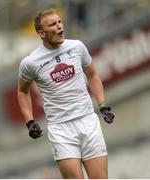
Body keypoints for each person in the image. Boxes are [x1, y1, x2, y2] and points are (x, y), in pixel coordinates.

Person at [17, 8, 115, 179]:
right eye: (53, 25)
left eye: (60, 22)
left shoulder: (77, 46)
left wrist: (103, 104)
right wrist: (29, 121)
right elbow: (22, 91)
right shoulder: (30, 62)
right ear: (41, 33)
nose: (59, 27)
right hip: (61, 129)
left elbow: (92, 75)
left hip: (88, 121)